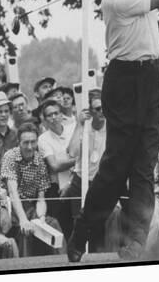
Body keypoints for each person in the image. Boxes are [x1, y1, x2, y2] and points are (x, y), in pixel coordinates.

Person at [68, 0, 159, 262]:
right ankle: (82, 233)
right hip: (121, 81)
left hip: (149, 77)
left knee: (144, 164)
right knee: (116, 167)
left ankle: (135, 241)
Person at [0, 122, 59, 257]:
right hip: (10, 207)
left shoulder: (40, 161)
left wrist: (41, 217)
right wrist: (23, 219)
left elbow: (41, 198)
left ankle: (62, 263)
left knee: (52, 224)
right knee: (25, 230)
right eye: (25, 142)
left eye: (33, 142)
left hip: (32, 207)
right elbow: (13, 192)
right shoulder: (10, 156)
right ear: (18, 142)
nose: (30, 147)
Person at [58, 90, 106, 245]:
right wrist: (79, 124)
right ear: (90, 111)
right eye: (97, 109)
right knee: (79, 223)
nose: (102, 112)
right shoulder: (82, 127)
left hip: (102, 182)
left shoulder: (111, 127)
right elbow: (72, 152)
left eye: (103, 107)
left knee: (99, 224)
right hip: (80, 181)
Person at [37, 99, 76, 216]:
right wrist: (77, 160)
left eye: (56, 113)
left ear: (61, 115)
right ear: (44, 119)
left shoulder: (73, 130)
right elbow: (54, 166)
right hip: (58, 188)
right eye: (49, 115)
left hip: (77, 182)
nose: (53, 117)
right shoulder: (43, 139)